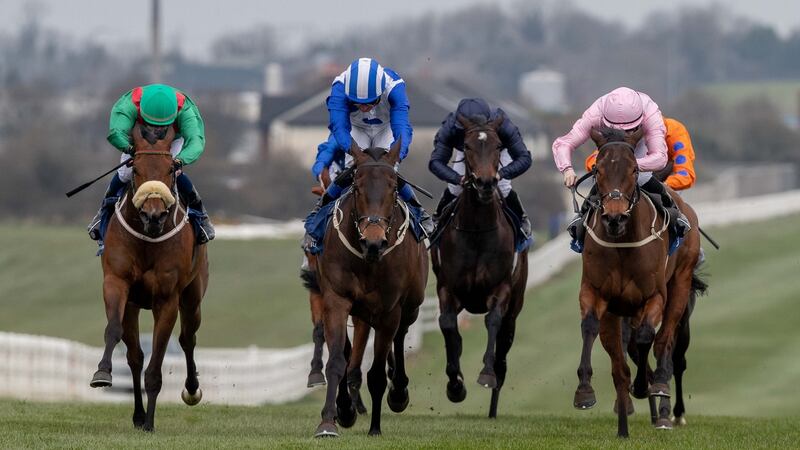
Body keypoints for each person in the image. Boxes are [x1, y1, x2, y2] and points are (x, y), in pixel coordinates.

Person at [552, 87, 690, 252]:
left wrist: (628, 167)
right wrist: (567, 169)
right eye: (619, 129)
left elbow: (660, 157)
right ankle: (581, 222)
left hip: (638, 149)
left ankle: (674, 218)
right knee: (605, 181)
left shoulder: (651, 113)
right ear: (605, 119)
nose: (625, 132)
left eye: (630, 129)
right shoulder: (595, 113)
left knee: (643, 178)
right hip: (611, 148)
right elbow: (563, 143)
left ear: (640, 119)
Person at [310, 57, 433, 235]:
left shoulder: (395, 86)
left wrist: (395, 156)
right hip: (356, 129)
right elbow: (339, 127)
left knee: (388, 171)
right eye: (358, 103)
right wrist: (355, 154)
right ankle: (321, 211)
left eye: (370, 102)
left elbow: (402, 128)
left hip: (386, 128)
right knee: (354, 170)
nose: (364, 107)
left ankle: (419, 212)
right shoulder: (339, 87)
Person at [87, 84, 214, 244]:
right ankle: (103, 212)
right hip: (139, 139)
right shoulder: (130, 104)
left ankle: (201, 216)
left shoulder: (185, 109)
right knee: (125, 173)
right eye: (152, 124)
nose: (156, 130)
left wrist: (180, 160)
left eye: (162, 125)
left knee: (172, 172)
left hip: (172, 140)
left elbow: (196, 142)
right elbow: (116, 132)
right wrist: (129, 149)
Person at [429, 98, 533, 236]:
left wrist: (501, 173)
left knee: (503, 187)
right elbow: (436, 162)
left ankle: (521, 220)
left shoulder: (504, 125)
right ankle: (437, 219)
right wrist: (458, 178)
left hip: (496, 150)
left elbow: (524, 158)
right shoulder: (450, 126)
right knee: (454, 188)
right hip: (470, 149)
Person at [584, 117, 696, 191]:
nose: (630, 132)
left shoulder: (675, 130)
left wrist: (665, 186)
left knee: (677, 214)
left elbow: (686, 175)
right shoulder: (623, 132)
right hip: (627, 182)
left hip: (664, 181)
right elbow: (594, 159)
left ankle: (682, 225)